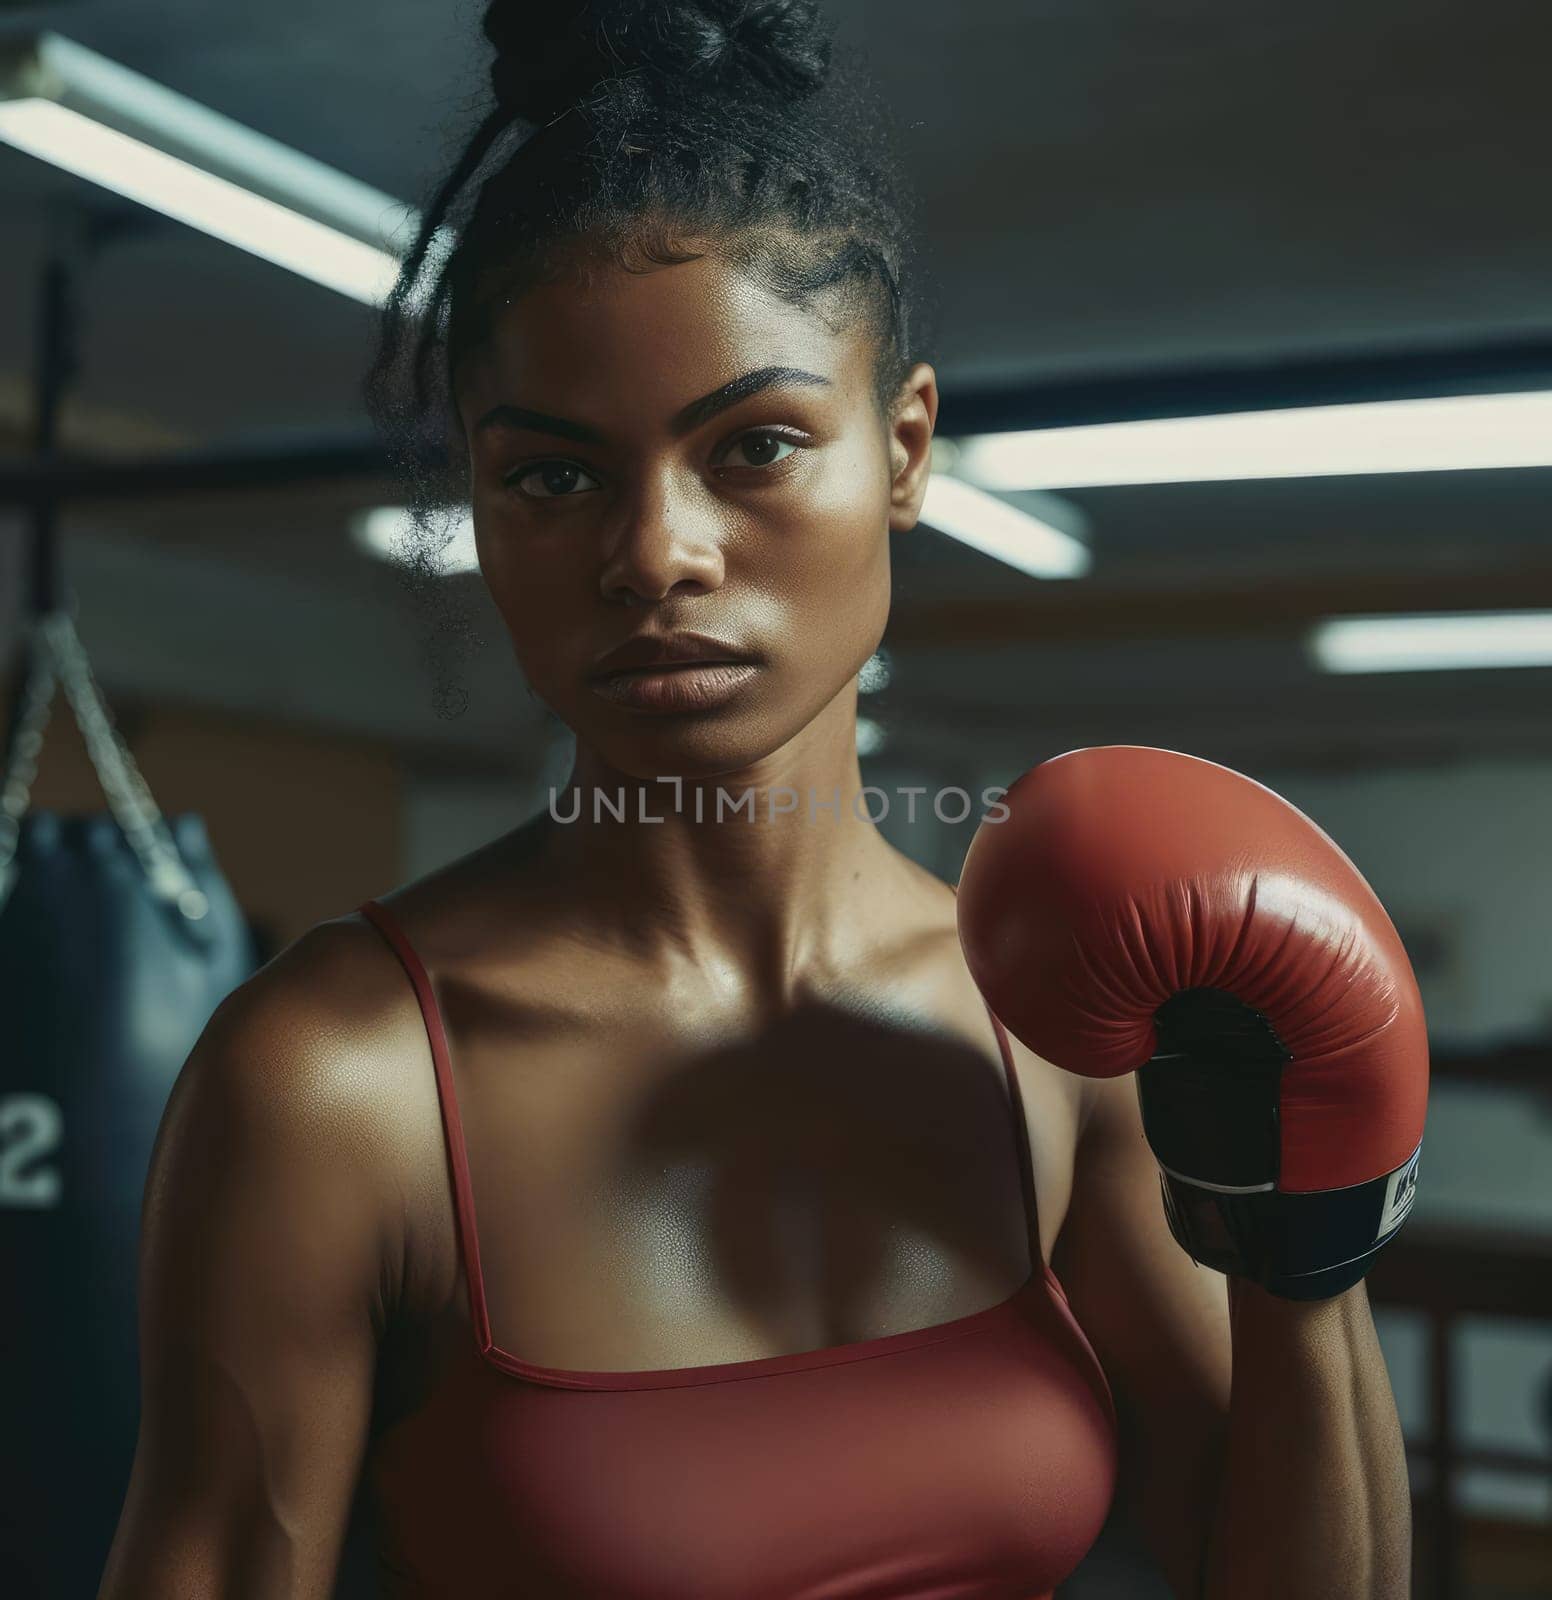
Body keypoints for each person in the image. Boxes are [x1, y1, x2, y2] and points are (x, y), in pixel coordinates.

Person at [99, 3, 1407, 1596]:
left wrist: (1309, 1254)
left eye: (756, 445)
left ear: (906, 449)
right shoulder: (337, 1085)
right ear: (483, 506)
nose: (656, 553)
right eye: (554, 474)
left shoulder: (1052, 1037)